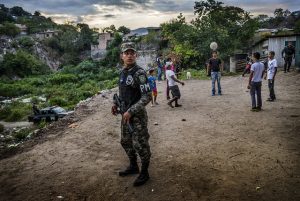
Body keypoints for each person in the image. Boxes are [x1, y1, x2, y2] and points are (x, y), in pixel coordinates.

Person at [111, 42, 152, 187]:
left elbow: (147, 96)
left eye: (131, 53)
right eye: (126, 53)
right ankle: (134, 166)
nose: (129, 55)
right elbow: (122, 93)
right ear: (122, 56)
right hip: (125, 115)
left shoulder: (139, 73)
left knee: (140, 145)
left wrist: (131, 111)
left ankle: (145, 172)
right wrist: (116, 105)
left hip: (137, 117)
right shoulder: (122, 72)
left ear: (136, 55)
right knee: (125, 142)